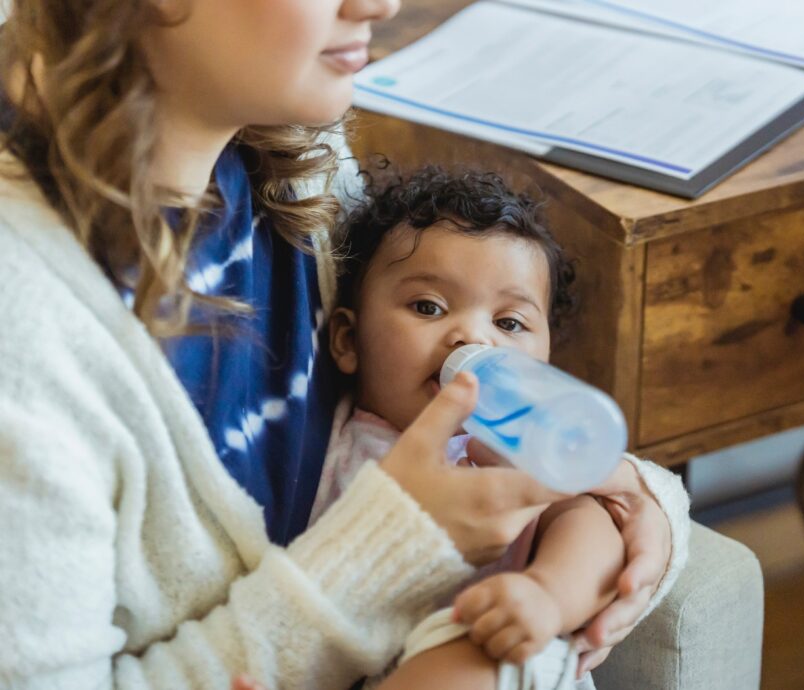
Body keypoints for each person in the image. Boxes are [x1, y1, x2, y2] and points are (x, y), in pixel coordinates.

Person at [0, 1, 687, 688]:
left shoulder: (304, 152)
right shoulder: (28, 330)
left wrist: (629, 499)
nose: (379, 4)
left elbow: (488, 431)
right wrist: (396, 546)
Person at [303, 167, 688, 690]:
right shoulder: (328, 445)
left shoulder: (518, 446)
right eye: (428, 306)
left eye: (509, 323)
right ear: (348, 339)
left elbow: (592, 527)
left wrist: (547, 595)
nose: (471, 337)